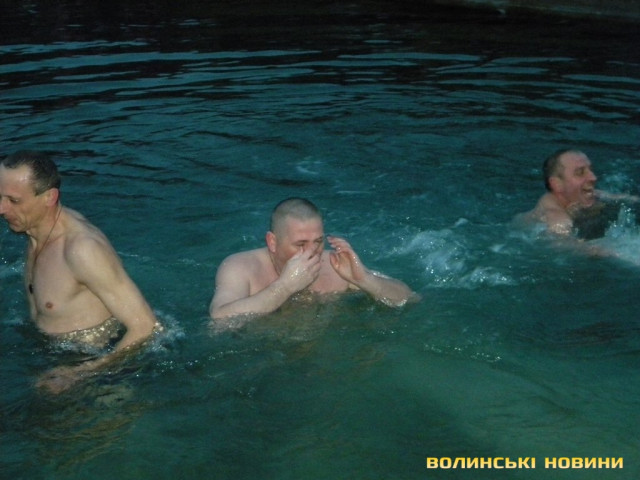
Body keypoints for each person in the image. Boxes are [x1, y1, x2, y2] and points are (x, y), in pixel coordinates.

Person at [0, 150, 160, 393]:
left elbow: (146, 326)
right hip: (52, 356)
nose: (1, 209)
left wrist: (80, 373)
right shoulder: (34, 232)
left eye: (14, 201)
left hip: (99, 370)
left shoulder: (81, 250)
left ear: (49, 197)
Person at [210, 197, 417, 322]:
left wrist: (364, 279)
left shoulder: (335, 266)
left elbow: (410, 298)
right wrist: (285, 287)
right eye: (300, 244)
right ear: (272, 242)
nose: (312, 252)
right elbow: (219, 320)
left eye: (318, 241)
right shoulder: (241, 267)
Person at [519, 148, 637, 238]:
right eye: (580, 173)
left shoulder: (588, 196)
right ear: (557, 184)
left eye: (591, 170)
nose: (593, 177)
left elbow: (624, 199)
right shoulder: (557, 220)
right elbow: (567, 247)